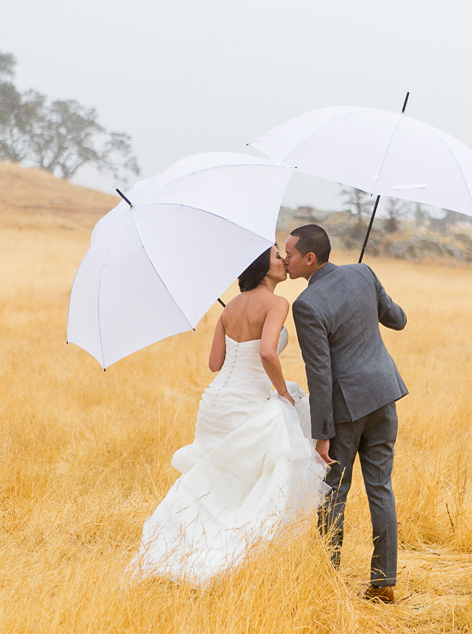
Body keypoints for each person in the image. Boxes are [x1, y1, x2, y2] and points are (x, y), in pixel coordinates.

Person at [128, 245, 327, 586]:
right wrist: (281, 391)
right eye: (277, 255)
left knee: (212, 482)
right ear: (263, 267)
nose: (283, 260)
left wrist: (236, 327)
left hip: (215, 404)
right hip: (247, 403)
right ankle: (222, 560)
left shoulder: (229, 308)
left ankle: (178, 551)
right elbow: (267, 351)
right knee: (251, 483)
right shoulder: (279, 304)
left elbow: (214, 364)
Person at [284, 224, 407, 604]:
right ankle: (384, 582)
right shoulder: (363, 273)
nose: (283, 259)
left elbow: (319, 375)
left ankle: (325, 579)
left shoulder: (307, 306)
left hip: (348, 409)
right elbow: (397, 319)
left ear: (309, 258)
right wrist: (368, 293)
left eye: (288, 253)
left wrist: (322, 433)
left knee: (333, 492)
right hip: (385, 396)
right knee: (380, 488)